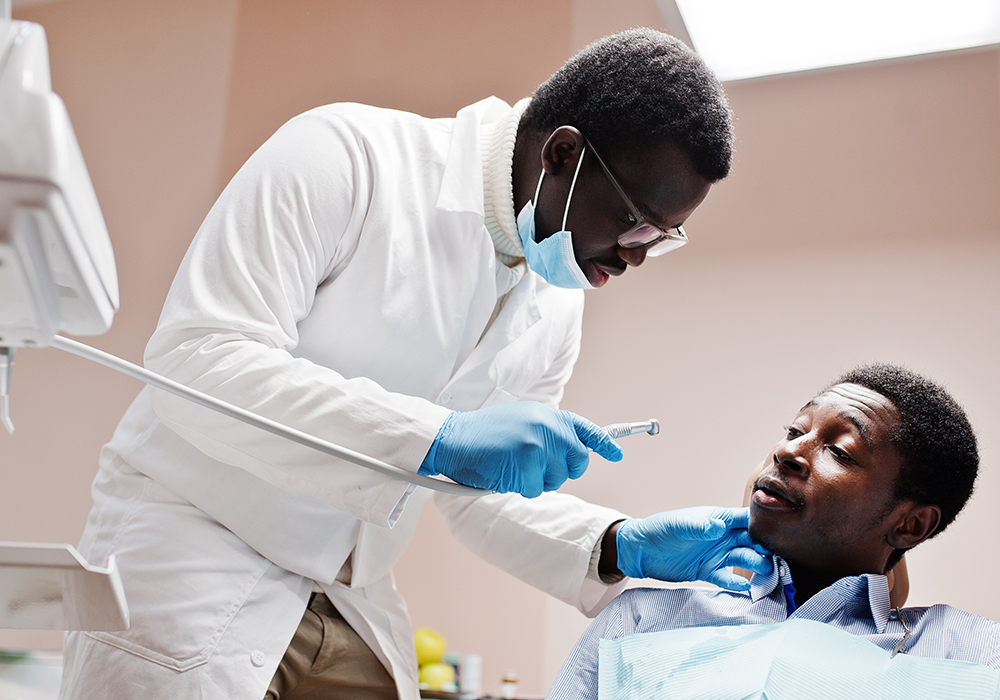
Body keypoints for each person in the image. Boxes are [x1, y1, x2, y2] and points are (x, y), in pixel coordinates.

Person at [58, 29, 772, 700]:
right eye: (637, 221)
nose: (637, 255)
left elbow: (476, 499)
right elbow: (198, 362)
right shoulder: (344, 156)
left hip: (346, 588)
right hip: (191, 551)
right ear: (561, 154)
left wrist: (618, 545)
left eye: (665, 236)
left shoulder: (554, 305)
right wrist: (438, 437)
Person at [548, 363, 1000, 700]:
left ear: (910, 524)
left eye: (839, 452)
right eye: (794, 430)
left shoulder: (970, 651)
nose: (788, 450)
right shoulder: (639, 620)